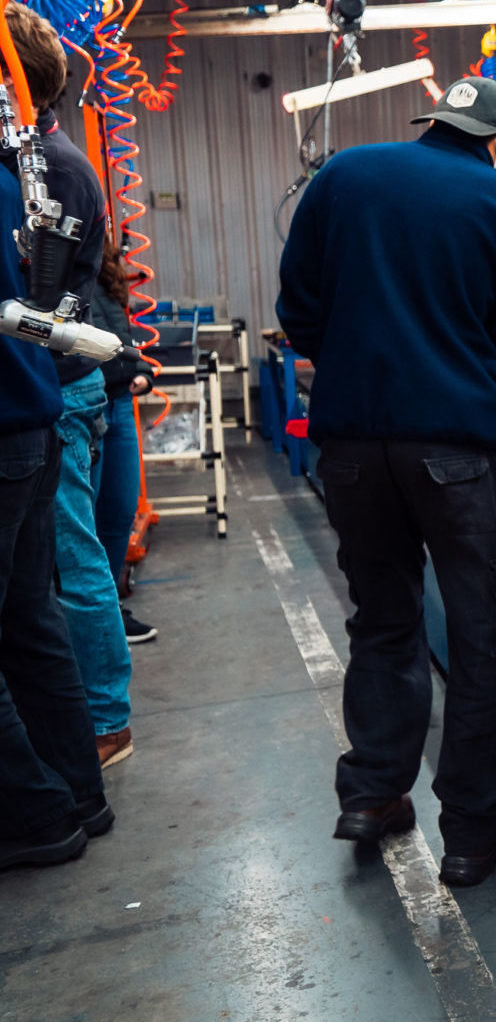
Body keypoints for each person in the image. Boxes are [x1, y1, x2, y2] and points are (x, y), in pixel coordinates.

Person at [277, 77, 496, 887]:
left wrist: (366, 367)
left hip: (352, 447)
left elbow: (299, 311)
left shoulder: (344, 175)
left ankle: (371, 794)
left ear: (436, 122)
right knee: (481, 631)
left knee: (382, 616)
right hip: (455, 452)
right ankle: (470, 827)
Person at [6, 4, 133, 767]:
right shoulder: (44, 157)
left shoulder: (46, 170)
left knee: (74, 559)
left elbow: (40, 309)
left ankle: (106, 720)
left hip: (55, 383)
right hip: (55, 379)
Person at [0, 122, 111, 871]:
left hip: (12, 420)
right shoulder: (16, 180)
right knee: (29, 619)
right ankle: (77, 793)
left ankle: (35, 813)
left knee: (40, 607)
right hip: (31, 412)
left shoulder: (42, 171)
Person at [87, 245, 157, 645]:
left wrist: (143, 370)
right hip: (86, 405)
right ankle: (92, 619)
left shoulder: (105, 272)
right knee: (87, 518)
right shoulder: (58, 270)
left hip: (119, 404)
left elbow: (121, 335)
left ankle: (110, 608)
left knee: (119, 510)